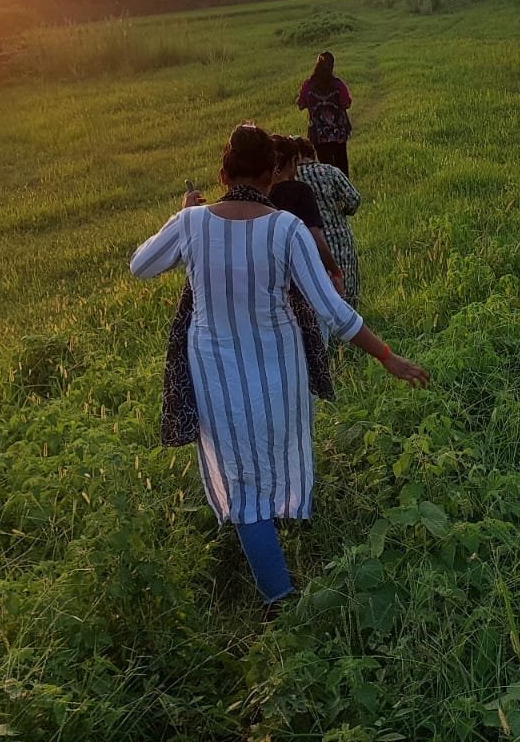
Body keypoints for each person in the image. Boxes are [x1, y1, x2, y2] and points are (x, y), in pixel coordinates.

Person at [130, 123, 429, 609]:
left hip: (214, 372)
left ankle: (278, 596)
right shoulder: (286, 229)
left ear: (223, 174)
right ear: (272, 175)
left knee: (240, 478)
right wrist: (387, 356)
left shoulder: (192, 223)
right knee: (275, 454)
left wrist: (182, 212)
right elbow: (334, 312)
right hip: (280, 370)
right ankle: (277, 564)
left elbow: (141, 265)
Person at [295, 136, 363, 308]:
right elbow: (354, 199)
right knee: (347, 287)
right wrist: (340, 211)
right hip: (340, 238)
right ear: (312, 153)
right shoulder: (330, 171)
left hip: (310, 241)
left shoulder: (291, 178)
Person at [296, 51, 353, 175]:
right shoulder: (338, 84)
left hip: (318, 134)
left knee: (325, 168)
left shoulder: (308, 85)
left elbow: (300, 104)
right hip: (338, 133)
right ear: (332, 66)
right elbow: (346, 103)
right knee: (342, 166)